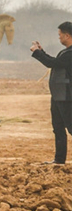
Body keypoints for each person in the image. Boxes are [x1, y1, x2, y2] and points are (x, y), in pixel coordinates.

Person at [31, 21, 72, 165]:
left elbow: (52, 63)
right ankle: (59, 160)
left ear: (67, 35)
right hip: (58, 95)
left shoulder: (70, 53)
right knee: (58, 128)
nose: (59, 38)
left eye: (60, 35)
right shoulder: (66, 52)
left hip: (67, 97)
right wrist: (41, 52)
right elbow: (55, 61)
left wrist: (37, 53)